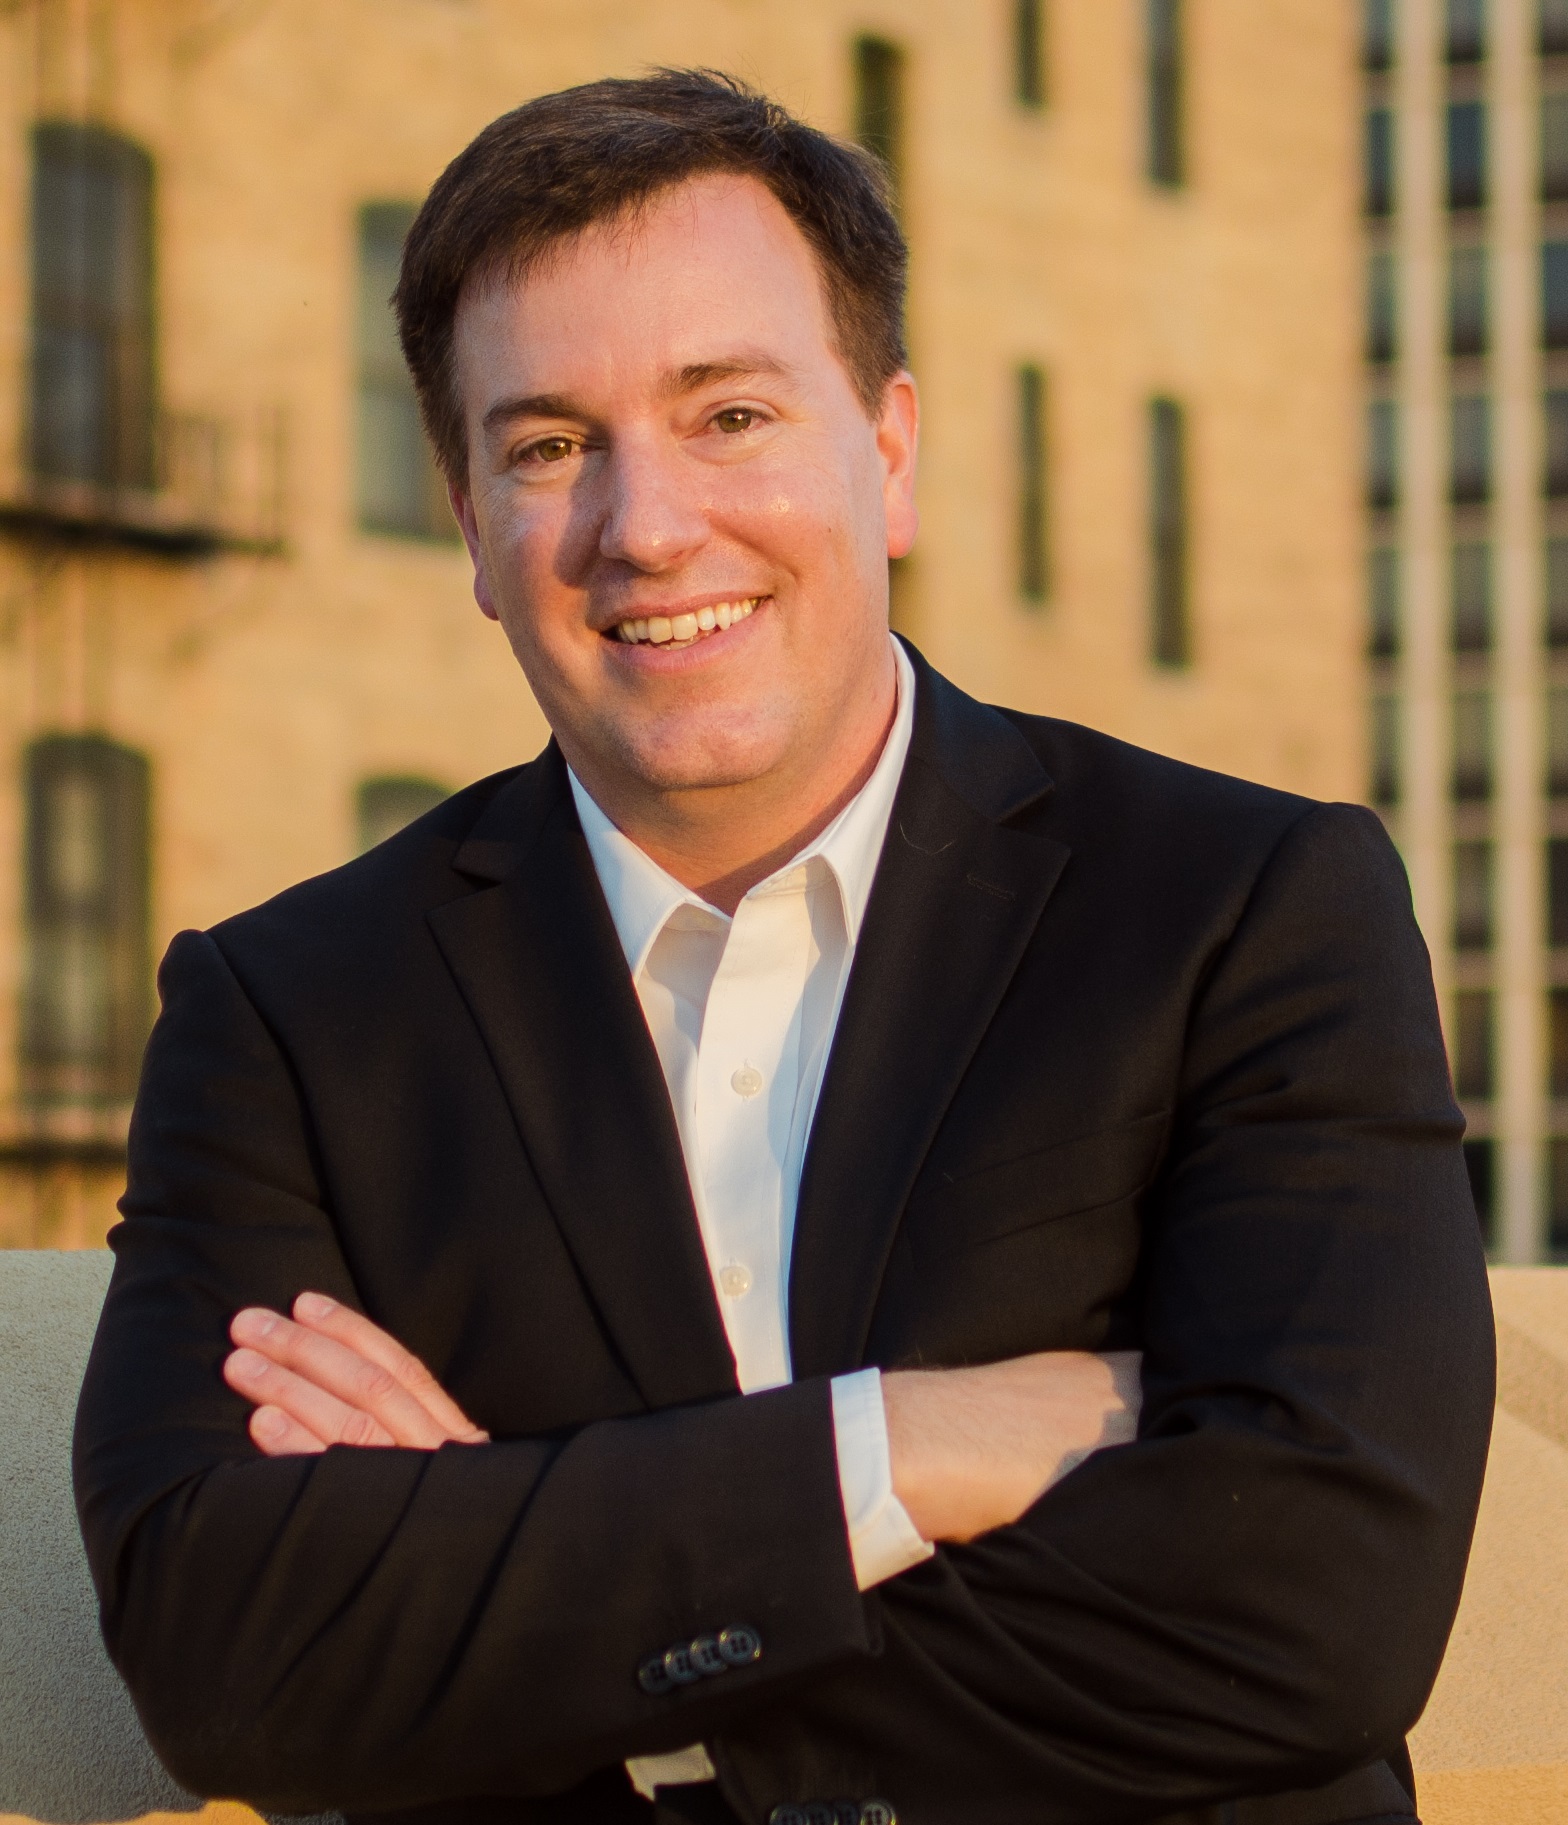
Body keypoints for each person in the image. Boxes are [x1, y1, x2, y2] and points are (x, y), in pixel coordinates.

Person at [74, 71, 1494, 1825]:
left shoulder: (1247, 907)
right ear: (469, 530)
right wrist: (901, 1448)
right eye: (545, 445)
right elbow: (230, 1655)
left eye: (728, 413)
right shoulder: (291, 1016)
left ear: (887, 452)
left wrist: (567, 1614)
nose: (646, 527)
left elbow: (1318, 1607)